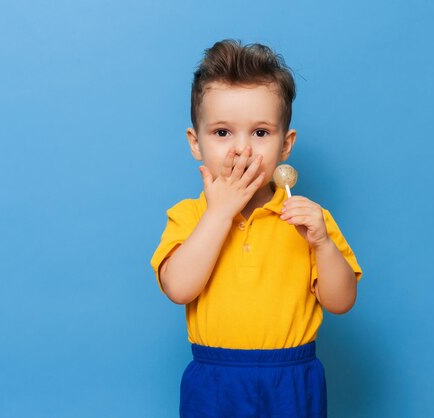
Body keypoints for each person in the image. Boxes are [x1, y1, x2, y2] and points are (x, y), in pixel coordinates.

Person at [150, 39, 363, 418]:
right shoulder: (189, 215)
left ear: (286, 145)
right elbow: (179, 288)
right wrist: (219, 213)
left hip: (292, 379)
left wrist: (322, 244)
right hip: (215, 380)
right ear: (195, 143)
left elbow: (341, 302)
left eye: (261, 133)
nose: (242, 150)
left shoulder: (308, 218)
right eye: (222, 133)